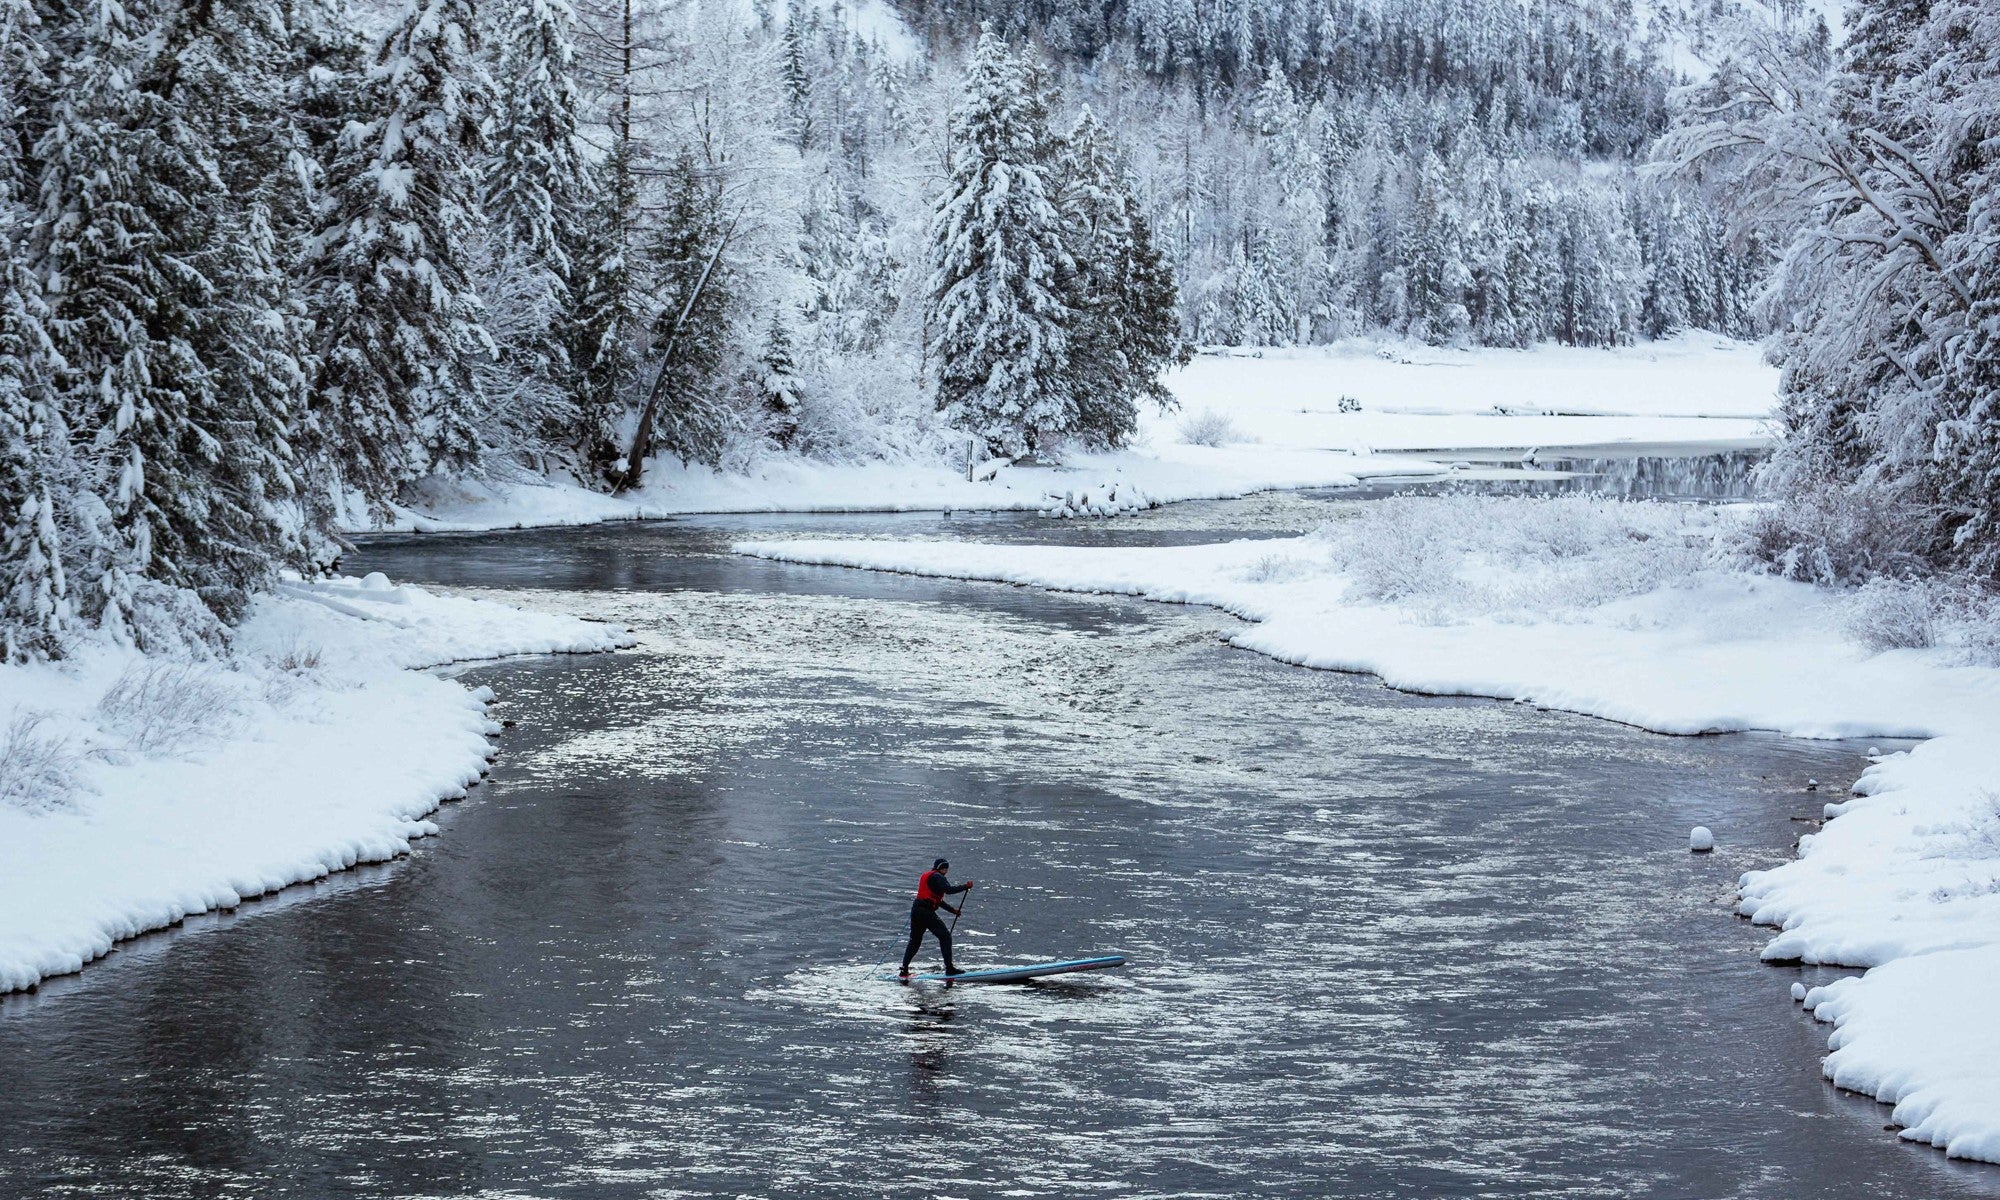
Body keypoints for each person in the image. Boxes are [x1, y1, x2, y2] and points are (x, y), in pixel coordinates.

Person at [900, 857, 973, 979]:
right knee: (945, 936)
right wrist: (965, 886)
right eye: (945, 868)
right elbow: (949, 890)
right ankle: (949, 969)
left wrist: (952, 911)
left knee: (915, 940)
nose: (946, 871)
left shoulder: (928, 876)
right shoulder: (938, 877)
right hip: (925, 912)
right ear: (942, 868)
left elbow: (936, 900)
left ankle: (904, 970)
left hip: (917, 910)